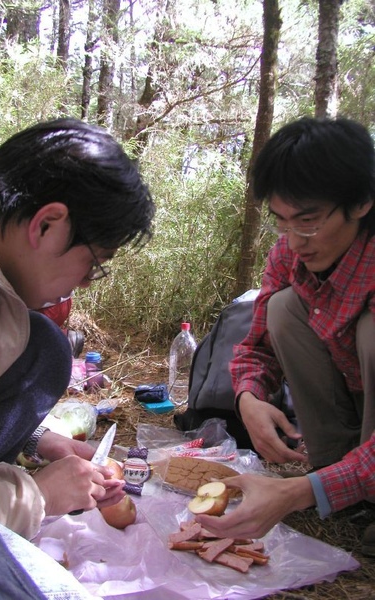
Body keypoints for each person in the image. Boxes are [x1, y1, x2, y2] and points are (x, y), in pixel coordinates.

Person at [0, 117, 155, 596]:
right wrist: (35, 494)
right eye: (93, 263)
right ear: (47, 224)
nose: (85, 282)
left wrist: (36, 438)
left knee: (44, 349)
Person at [195, 117, 375, 556]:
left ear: (362, 202)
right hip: (355, 402)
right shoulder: (290, 255)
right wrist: (248, 399)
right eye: (282, 222)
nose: (294, 242)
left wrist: (298, 493)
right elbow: (255, 348)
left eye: (309, 221)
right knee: (282, 306)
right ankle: (343, 478)